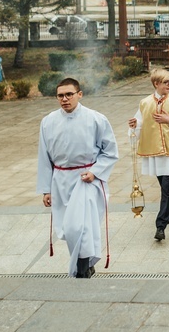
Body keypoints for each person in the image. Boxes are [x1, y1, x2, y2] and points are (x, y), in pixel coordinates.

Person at [37, 77, 119, 279]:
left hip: (86, 179)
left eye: (69, 94)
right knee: (68, 229)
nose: (65, 99)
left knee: (80, 226)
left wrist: (95, 172)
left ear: (79, 94)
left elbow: (110, 151)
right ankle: (88, 262)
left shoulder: (96, 119)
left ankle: (81, 270)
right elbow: (44, 158)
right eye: (60, 96)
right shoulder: (48, 122)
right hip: (60, 180)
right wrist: (46, 189)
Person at [128, 69, 169, 242]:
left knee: (166, 187)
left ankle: (160, 225)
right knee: (166, 187)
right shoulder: (145, 103)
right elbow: (141, 123)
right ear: (156, 84)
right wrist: (135, 125)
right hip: (155, 151)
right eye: (166, 82)